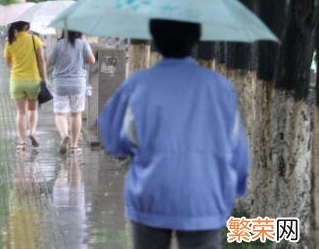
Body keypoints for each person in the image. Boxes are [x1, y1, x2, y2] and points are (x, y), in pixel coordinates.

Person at [99, 19, 249, 249]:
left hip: (150, 195)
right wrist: (235, 187)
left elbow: (113, 139)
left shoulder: (138, 85)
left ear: (155, 41)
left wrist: (124, 150)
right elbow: (237, 148)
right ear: (196, 39)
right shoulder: (220, 87)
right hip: (205, 197)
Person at [47, 31, 95, 155]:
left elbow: (49, 62)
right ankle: (74, 147)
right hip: (78, 83)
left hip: (60, 84)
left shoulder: (59, 44)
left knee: (60, 114)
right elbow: (92, 60)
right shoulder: (83, 44)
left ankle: (64, 136)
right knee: (76, 114)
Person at [4, 21, 48, 151]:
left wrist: (18, 69)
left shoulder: (10, 42)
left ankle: (22, 143)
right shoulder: (35, 40)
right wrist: (44, 78)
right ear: (26, 27)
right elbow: (41, 60)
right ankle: (32, 131)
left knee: (20, 112)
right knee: (32, 110)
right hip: (33, 80)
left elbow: (8, 63)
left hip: (16, 81)